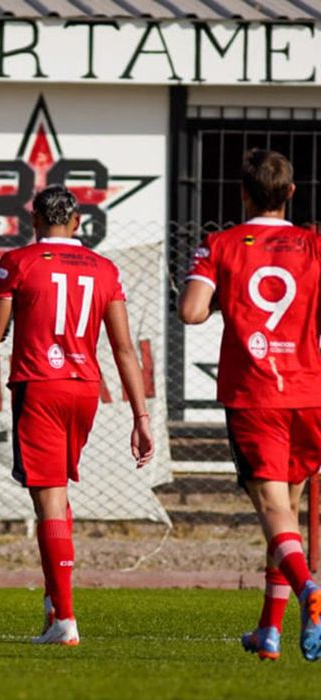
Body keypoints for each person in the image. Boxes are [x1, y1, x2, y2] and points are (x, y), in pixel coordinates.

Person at [0, 185, 154, 646]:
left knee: (48, 500)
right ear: (77, 223)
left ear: (34, 221)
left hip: (39, 387)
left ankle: (65, 621)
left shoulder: (17, 263)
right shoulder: (105, 268)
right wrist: (141, 416)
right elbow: (123, 348)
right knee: (59, 495)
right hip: (85, 390)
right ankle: (55, 601)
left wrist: (12, 316)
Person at [179, 148, 321, 662]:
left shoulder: (222, 244)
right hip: (307, 392)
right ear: (290, 193)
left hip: (254, 394)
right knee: (290, 513)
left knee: (273, 511)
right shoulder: (314, 245)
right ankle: (269, 631)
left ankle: (309, 590)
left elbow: (192, 311)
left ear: (242, 192)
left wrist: (226, 297)